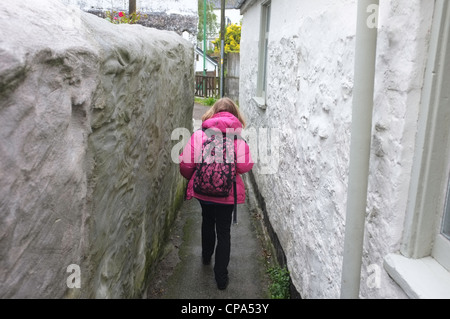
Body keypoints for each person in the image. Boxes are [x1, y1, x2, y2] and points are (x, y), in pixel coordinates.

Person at [179, 97, 254, 290]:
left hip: (203, 193)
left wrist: (192, 178)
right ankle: (221, 278)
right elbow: (245, 166)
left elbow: (186, 164)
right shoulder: (237, 138)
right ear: (235, 115)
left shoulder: (200, 134)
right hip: (227, 194)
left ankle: (205, 257)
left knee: (207, 221)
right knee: (223, 231)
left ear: (212, 112)